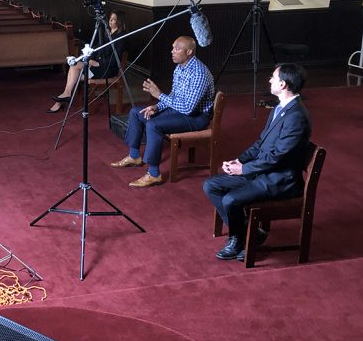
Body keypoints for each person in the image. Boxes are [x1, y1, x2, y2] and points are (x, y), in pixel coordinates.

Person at [203, 63, 311, 260]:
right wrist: (239, 160)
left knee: (230, 199)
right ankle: (249, 233)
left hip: (279, 180)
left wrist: (243, 169)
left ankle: (238, 237)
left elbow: (278, 157)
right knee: (211, 185)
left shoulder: (296, 117)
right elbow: (261, 142)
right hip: (263, 172)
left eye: (273, 77)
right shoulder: (280, 107)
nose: (269, 80)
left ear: (284, 85)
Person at [110, 36, 214, 187]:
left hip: (196, 117)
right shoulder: (180, 67)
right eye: (172, 48)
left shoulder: (199, 73)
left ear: (189, 52)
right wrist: (157, 106)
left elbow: (187, 108)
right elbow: (174, 96)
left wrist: (159, 95)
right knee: (136, 113)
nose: (172, 52)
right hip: (180, 110)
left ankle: (154, 174)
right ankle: (134, 156)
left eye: (177, 49)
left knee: (154, 125)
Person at [47, 11, 127, 113]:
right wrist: (88, 57)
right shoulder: (107, 33)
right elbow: (97, 49)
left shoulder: (121, 37)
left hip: (107, 69)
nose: (110, 21)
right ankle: (64, 96)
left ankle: (65, 96)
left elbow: (115, 58)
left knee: (74, 68)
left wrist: (97, 63)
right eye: (110, 19)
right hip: (97, 67)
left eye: (114, 19)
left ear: (120, 21)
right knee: (75, 70)